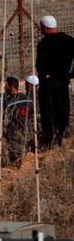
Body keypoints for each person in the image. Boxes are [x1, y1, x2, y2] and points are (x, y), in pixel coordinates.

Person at [35, 14, 74, 147]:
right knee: (63, 108)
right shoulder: (69, 40)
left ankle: (49, 139)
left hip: (48, 83)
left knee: (47, 111)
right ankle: (62, 135)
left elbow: (40, 65)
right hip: (63, 81)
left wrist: (43, 76)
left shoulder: (44, 43)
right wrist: (71, 74)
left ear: (45, 27)